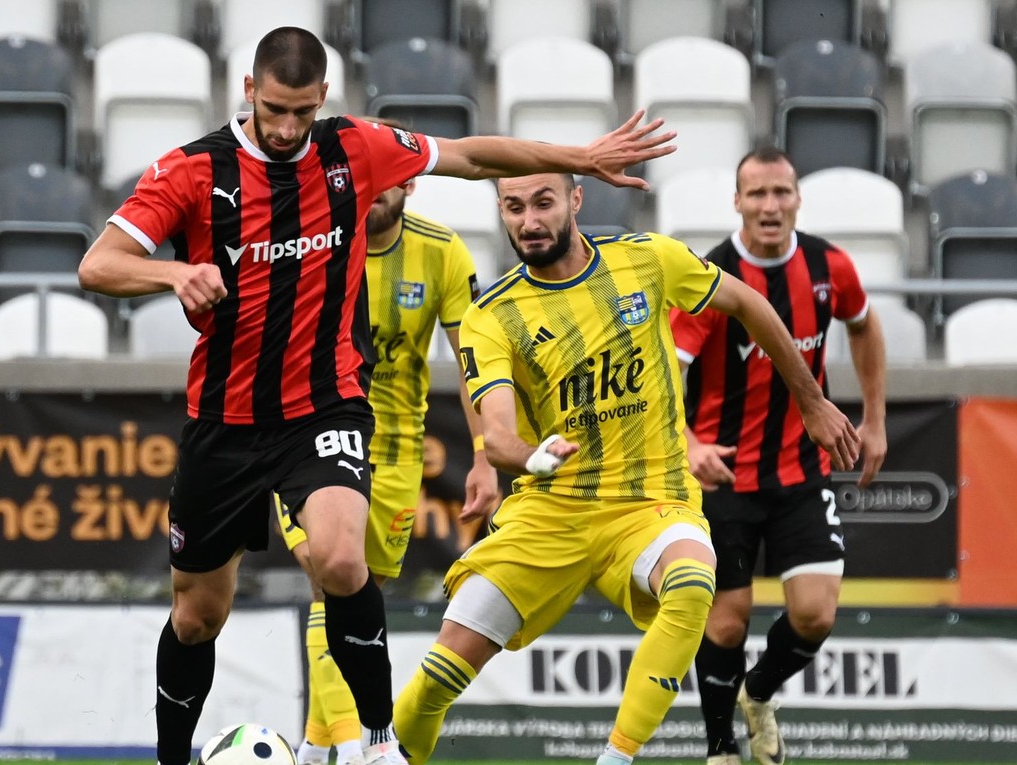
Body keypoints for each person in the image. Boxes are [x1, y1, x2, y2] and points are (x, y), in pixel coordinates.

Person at [76, 25, 676, 765]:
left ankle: (380, 743)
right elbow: (98, 264)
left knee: (339, 557)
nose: (290, 128)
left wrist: (579, 156)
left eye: (302, 111)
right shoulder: (194, 171)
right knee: (198, 614)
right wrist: (172, 275)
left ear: (322, 98)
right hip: (224, 420)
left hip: (324, 406)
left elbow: (473, 156)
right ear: (248, 94)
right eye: (275, 112)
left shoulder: (352, 147)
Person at [391, 172, 860, 765]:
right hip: (552, 512)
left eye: (543, 203)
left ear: (575, 200)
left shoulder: (648, 260)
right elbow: (500, 435)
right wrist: (529, 456)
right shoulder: (493, 314)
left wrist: (811, 400)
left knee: (693, 583)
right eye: (514, 208)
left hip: (651, 501)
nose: (529, 221)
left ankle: (617, 758)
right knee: (439, 675)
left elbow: (747, 302)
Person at [275, 164, 501, 765]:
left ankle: (315, 746)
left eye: (385, 182)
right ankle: (362, 747)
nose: (371, 194)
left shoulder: (442, 253)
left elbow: (473, 360)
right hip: (309, 436)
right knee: (330, 573)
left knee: (359, 595)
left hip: (397, 450)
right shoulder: (310, 243)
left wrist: (483, 457)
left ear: (409, 186)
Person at [671, 147, 888, 765]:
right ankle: (720, 751)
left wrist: (874, 418)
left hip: (800, 470)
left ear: (797, 199)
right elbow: (663, 370)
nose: (770, 206)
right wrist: (688, 446)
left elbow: (865, 326)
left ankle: (758, 694)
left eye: (781, 193)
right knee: (726, 621)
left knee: (816, 615)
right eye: (757, 194)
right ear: (737, 203)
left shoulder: (829, 266)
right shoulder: (708, 276)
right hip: (724, 474)